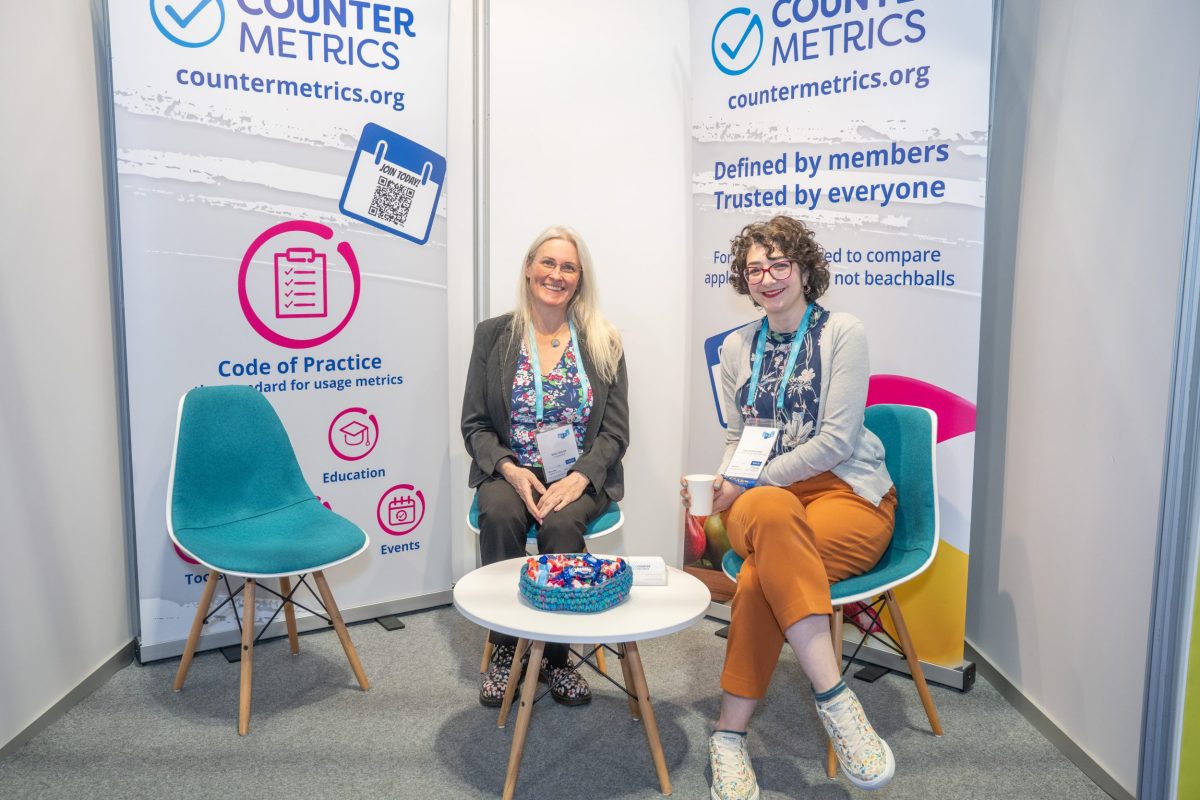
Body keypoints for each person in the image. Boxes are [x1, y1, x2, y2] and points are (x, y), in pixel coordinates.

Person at [681, 215, 897, 798]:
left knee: (760, 575)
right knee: (772, 518)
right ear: (744, 280)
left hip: (845, 492)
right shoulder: (734, 347)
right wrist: (727, 485)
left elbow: (838, 440)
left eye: (780, 264)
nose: (768, 277)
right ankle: (836, 698)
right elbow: (736, 437)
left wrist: (754, 482)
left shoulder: (842, 332)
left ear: (804, 268)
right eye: (756, 268)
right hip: (765, 500)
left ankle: (728, 736)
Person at [462, 224, 629, 708]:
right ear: (530, 269)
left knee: (559, 526)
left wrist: (579, 477)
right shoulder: (493, 336)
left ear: (580, 279)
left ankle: (557, 658)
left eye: (568, 267)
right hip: (512, 469)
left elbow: (616, 432)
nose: (557, 274)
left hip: (580, 474)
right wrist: (511, 470)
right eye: (548, 263)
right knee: (498, 514)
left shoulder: (604, 340)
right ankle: (504, 647)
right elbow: (475, 425)